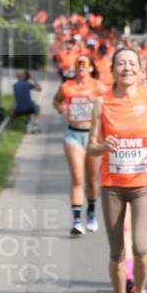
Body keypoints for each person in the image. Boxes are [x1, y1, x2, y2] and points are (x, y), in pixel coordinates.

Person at [88, 47, 147, 293]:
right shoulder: (102, 103)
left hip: (142, 184)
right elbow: (90, 146)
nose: (126, 68)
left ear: (139, 69)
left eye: (131, 64)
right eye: (121, 63)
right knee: (116, 252)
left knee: (140, 246)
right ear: (113, 69)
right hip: (112, 185)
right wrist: (103, 146)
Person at [53, 54, 107, 235]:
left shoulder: (98, 86)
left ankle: (91, 213)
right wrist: (60, 108)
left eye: (85, 65)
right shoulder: (67, 86)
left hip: (93, 136)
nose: (81, 67)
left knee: (92, 180)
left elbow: (111, 103)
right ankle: (77, 221)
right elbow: (57, 101)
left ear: (91, 68)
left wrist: (98, 104)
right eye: (78, 64)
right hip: (73, 135)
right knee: (77, 178)